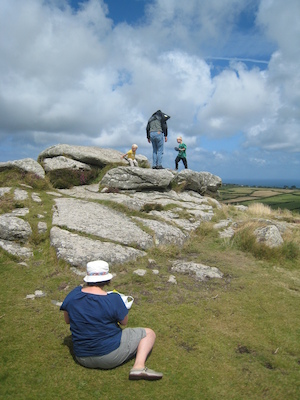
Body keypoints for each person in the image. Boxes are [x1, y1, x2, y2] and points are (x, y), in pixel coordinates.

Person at [60, 260, 163, 381]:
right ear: (107, 279)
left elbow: (67, 320)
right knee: (149, 333)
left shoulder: (73, 295)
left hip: (82, 357)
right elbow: (124, 322)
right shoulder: (114, 299)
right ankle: (139, 367)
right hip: (110, 356)